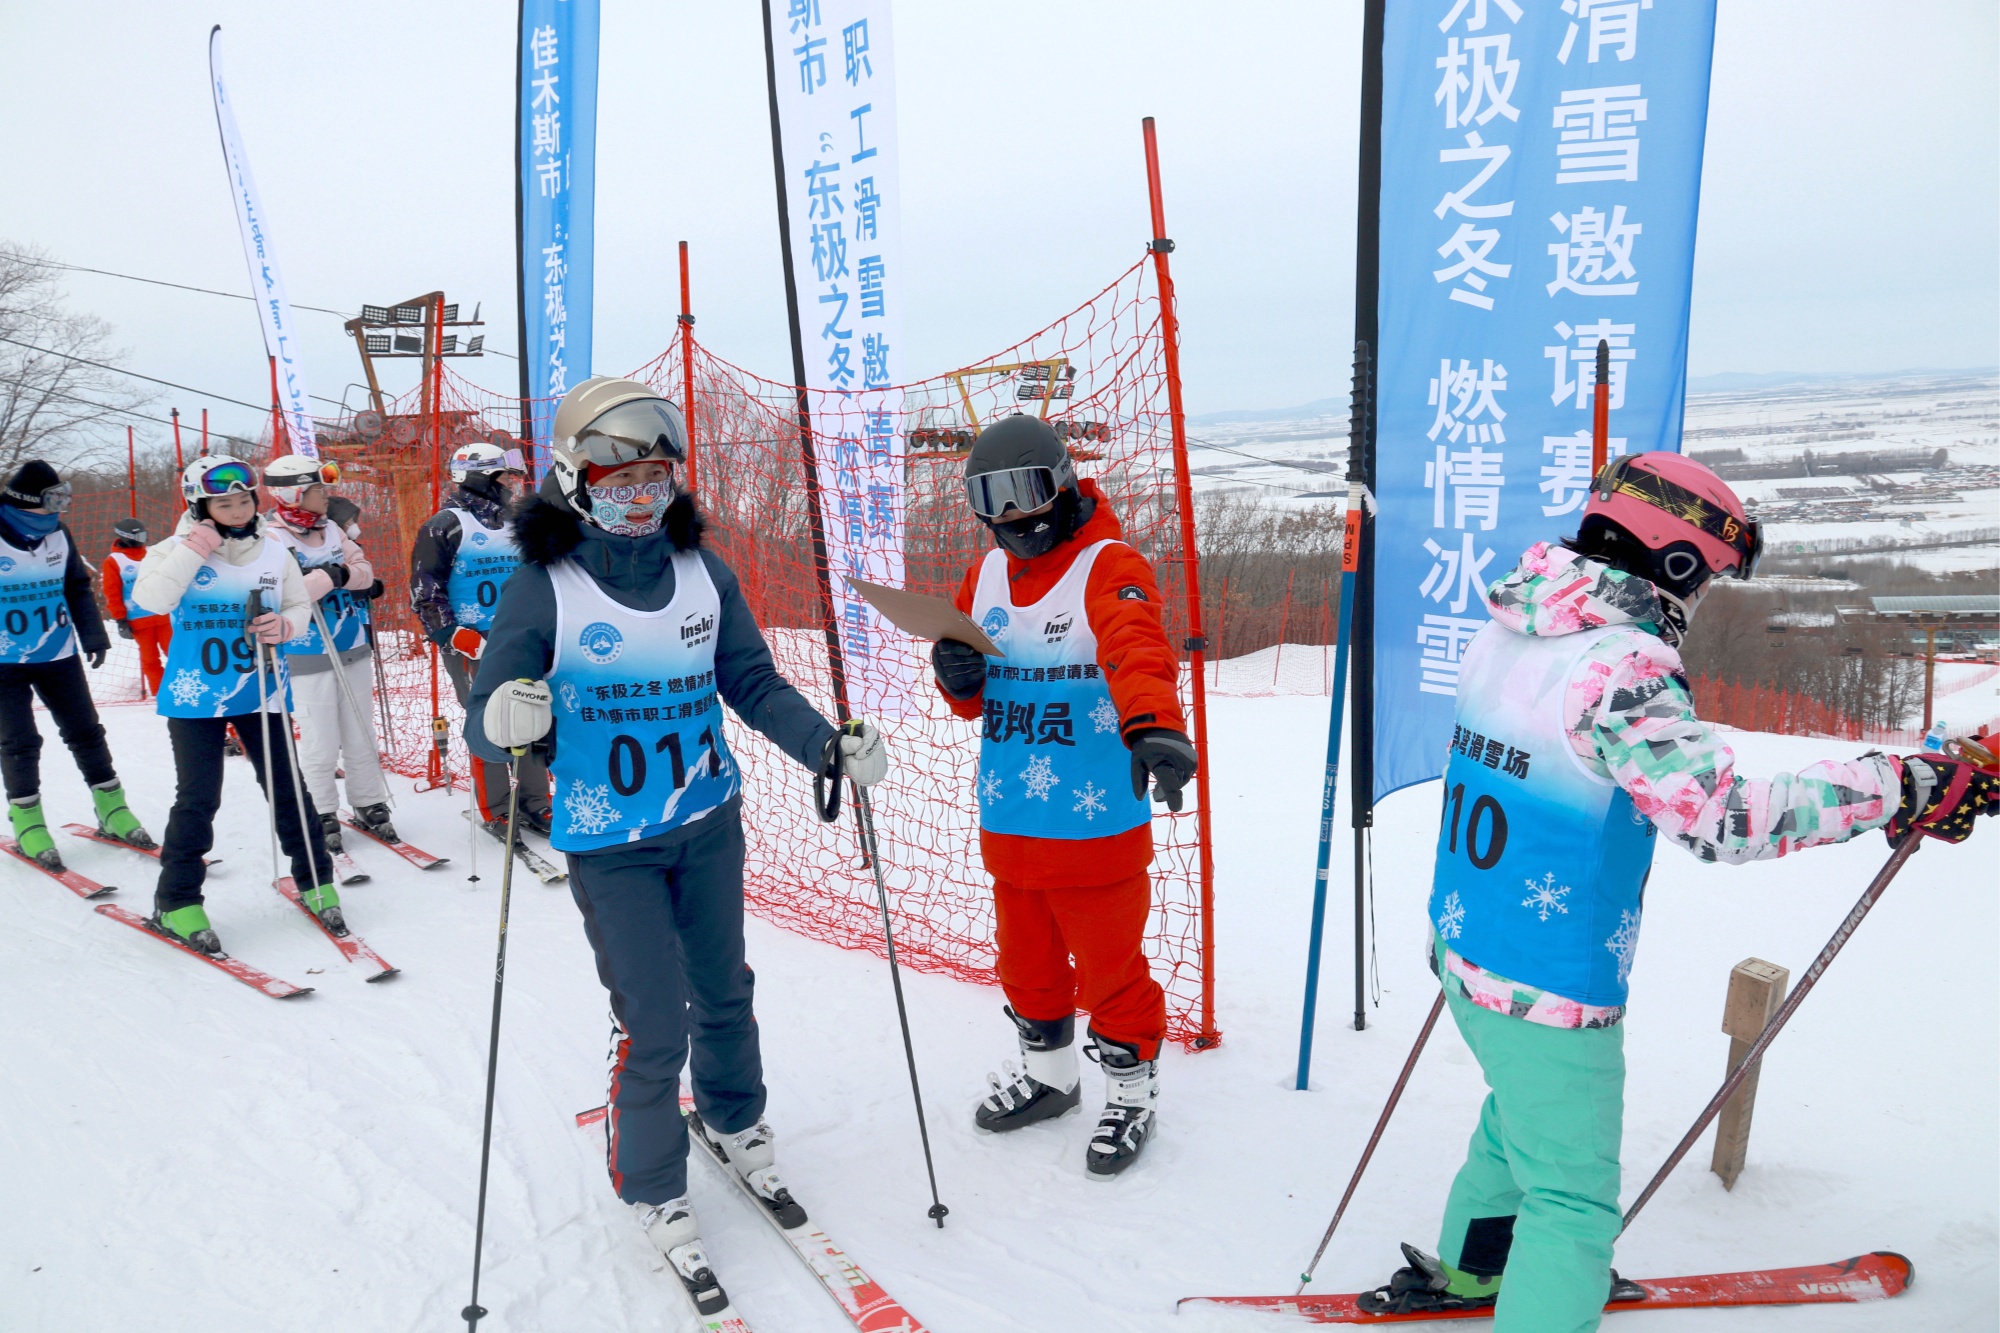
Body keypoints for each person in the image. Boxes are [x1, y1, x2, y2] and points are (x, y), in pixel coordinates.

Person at [1361, 452, 1999, 1331]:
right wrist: (1899, 785)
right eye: (1708, 580)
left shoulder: (1511, 626)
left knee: (1519, 1121)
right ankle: (1535, 1293)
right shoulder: (1621, 664)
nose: (1700, 604)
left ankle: (1478, 1270)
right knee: (1574, 1201)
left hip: (1468, 941)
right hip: (1551, 981)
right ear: (1675, 561)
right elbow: (1725, 816)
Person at [463, 377, 888, 1317]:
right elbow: (488, 715)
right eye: (618, 477)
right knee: (655, 1018)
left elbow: (748, 677)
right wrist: (505, 720)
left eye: (656, 475)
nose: (640, 494)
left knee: (725, 986)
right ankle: (654, 1184)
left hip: (705, 822)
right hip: (609, 842)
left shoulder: (704, 571)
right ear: (575, 479)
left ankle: (736, 1120)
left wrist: (826, 741)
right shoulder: (546, 584)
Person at [929, 414, 1198, 1179]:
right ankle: (1049, 1079)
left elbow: (1135, 644)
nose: (1013, 515)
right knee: (1026, 961)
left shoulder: (1107, 564)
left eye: (1027, 492)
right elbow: (971, 685)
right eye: (993, 498)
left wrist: (1153, 726)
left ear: (1063, 486)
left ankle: (1131, 1091)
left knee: (1111, 967)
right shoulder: (983, 577)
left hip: (1093, 824)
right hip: (1014, 818)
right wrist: (957, 675)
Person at [132, 456, 341, 955]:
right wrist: (195, 547)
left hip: (259, 687)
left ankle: (315, 878)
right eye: (223, 503)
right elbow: (153, 599)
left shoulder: (272, 551)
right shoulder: (174, 549)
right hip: (195, 694)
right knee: (200, 798)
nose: (237, 510)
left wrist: (287, 627)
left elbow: (296, 605)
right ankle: (176, 900)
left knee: (288, 788)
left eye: (244, 499)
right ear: (200, 506)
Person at [0, 460, 151, 869]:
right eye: (51, 502)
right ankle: (27, 818)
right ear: (25, 502)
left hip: (57, 652)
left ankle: (111, 807)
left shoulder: (58, 534)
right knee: (19, 741)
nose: (59, 511)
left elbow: (76, 586)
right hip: (4, 661)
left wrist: (93, 635)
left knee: (85, 730)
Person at [411, 440, 550, 836]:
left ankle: (536, 801)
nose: (512, 485)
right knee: (490, 719)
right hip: (472, 640)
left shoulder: (518, 522)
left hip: (521, 635)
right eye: (505, 477)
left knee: (534, 711)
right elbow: (424, 588)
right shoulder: (446, 524)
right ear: (481, 477)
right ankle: (497, 807)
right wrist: (452, 634)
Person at [263, 453, 396, 852]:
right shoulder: (271, 538)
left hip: (352, 644)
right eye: (318, 489)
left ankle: (369, 800)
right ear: (293, 494)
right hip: (306, 653)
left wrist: (336, 577)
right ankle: (320, 809)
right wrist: (332, 577)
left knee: (360, 731)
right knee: (320, 739)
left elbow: (365, 572)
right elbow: (286, 592)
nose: (326, 496)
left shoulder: (333, 529)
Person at [101, 517, 172, 698]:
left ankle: (180, 687)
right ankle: (161, 693)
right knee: (150, 659)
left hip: (163, 615)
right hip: (139, 620)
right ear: (125, 537)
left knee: (174, 653)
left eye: (144, 535)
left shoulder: (152, 552)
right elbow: (112, 592)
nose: (143, 539)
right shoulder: (114, 561)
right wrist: (120, 619)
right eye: (139, 536)